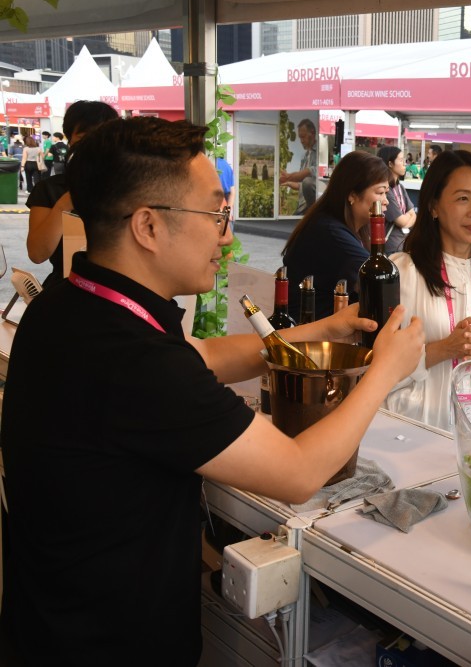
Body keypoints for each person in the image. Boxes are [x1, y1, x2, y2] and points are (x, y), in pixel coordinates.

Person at [0, 116, 425, 665]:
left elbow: (200, 356)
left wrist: (322, 330)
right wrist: (384, 371)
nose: (226, 235)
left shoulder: (70, 303)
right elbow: (296, 473)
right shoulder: (135, 361)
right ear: (148, 226)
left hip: (47, 622)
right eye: (215, 213)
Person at [385, 150, 471, 431]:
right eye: (462, 198)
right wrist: (444, 349)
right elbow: (380, 371)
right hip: (412, 429)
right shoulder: (402, 273)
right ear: (433, 206)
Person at [283, 150, 389, 321]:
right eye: (380, 192)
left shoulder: (339, 226)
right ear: (352, 195)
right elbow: (378, 280)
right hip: (309, 337)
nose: (386, 201)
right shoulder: (331, 233)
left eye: (386, 193)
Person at [26, 100, 119, 288]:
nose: (94, 146)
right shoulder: (49, 190)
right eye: (84, 138)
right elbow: (37, 254)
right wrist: (66, 202)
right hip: (66, 290)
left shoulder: (131, 186)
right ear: (70, 140)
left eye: (102, 138)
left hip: (120, 293)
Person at [376, 146, 418, 255]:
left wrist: (407, 219)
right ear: (390, 164)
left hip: (403, 242)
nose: (405, 163)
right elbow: (401, 221)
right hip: (391, 245)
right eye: (401, 160)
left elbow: (412, 214)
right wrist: (408, 219)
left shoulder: (400, 187)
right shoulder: (386, 191)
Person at [280, 117, 317, 215]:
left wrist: (288, 176)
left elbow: (307, 173)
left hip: (312, 208)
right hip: (302, 207)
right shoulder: (304, 156)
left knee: (307, 181)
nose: (301, 140)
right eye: (300, 137)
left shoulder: (320, 153)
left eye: (303, 136)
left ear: (312, 133)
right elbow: (302, 185)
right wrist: (288, 182)